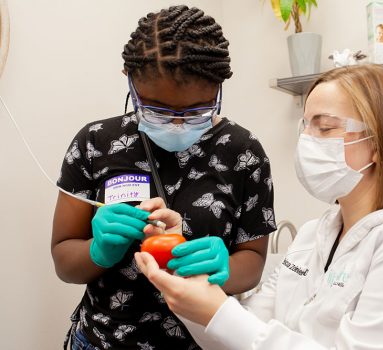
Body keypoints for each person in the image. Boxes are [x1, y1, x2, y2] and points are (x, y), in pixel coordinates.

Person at [135, 64, 383, 350]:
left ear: (381, 143)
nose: (307, 141)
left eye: (324, 127)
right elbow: (241, 335)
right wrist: (182, 269)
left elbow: (239, 328)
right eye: (306, 126)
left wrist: (217, 311)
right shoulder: (314, 235)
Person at [51, 5, 275, 350]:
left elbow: (254, 260)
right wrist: (98, 252)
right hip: (101, 340)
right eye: (157, 108)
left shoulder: (244, 152)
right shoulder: (96, 143)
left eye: (197, 110)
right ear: (129, 77)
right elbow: (64, 262)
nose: (177, 123)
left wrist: (227, 269)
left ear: (218, 88)